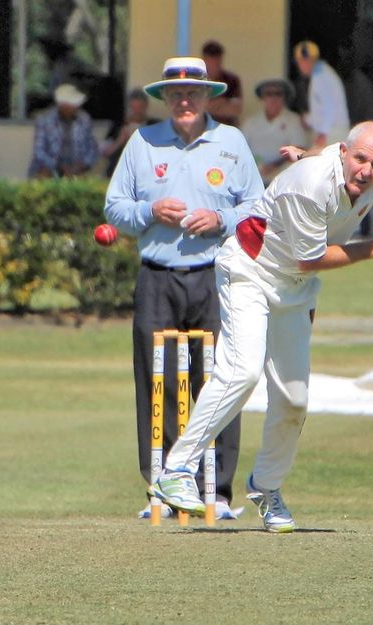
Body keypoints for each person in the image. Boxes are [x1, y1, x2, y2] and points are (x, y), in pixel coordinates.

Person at [151, 121, 373, 533]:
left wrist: (306, 156)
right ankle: (176, 471)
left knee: (294, 400)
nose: (367, 171)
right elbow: (311, 257)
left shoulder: (365, 174)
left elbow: (305, 258)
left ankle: (265, 487)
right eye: (360, 159)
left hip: (295, 288)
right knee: (242, 371)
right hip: (250, 268)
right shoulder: (308, 185)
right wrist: (371, 250)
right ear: (344, 152)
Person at [104, 57, 265, 520]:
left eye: (193, 92)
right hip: (158, 274)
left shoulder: (231, 142)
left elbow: (257, 207)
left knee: (221, 380)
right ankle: (162, 489)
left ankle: (218, 491)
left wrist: (221, 219)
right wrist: (149, 212)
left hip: (218, 275)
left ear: (207, 96)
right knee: (159, 382)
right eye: (175, 94)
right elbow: (115, 206)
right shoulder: (143, 141)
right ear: (165, 99)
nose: (184, 101)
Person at [241, 78, 309, 185]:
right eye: (268, 94)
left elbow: (300, 150)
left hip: (283, 181)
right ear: (262, 97)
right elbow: (241, 150)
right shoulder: (251, 123)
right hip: (254, 181)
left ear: (284, 97)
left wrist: (274, 166)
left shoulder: (294, 120)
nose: (273, 98)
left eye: (278, 94)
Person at [28, 83, 99, 178]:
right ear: (62, 105)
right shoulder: (45, 120)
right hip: (49, 169)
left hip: (77, 170)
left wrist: (83, 165)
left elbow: (92, 148)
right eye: (73, 104)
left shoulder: (84, 119)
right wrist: (58, 167)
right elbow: (39, 152)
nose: (76, 107)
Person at [293, 40, 350, 150]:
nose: (302, 65)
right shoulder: (321, 73)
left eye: (303, 61)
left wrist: (322, 134)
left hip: (332, 134)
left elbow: (328, 107)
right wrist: (307, 119)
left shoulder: (321, 76)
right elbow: (320, 109)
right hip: (332, 132)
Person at [101, 88, 159, 177]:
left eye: (141, 108)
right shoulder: (118, 125)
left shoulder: (155, 125)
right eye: (134, 108)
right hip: (119, 173)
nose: (137, 112)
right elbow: (105, 153)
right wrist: (120, 140)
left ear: (146, 107)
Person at [201, 40, 243, 126]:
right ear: (204, 60)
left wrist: (207, 106)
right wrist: (221, 102)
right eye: (211, 60)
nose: (214, 64)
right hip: (202, 129)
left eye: (217, 61)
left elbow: (235, 110)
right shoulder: (197, 80)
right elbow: (196, 110)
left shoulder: (232, 80)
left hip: (227, 128)